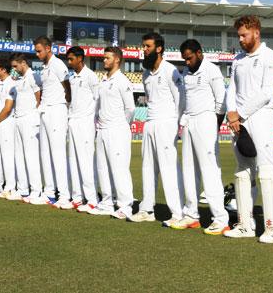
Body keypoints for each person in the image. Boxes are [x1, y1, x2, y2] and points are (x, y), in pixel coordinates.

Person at [223, 15, 273, 243]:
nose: (240, 39)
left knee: (266, 172)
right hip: (238, 120)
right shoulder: (238, 60)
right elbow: (232, 89)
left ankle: (272, 229)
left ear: (256, 32)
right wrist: (231, 113)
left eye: (243, 35)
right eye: (238, 35)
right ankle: (245, 225)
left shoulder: (270, 57)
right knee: (242, 171)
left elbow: (266, 92)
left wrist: (240, 113)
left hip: (261, 117)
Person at [173, 39, 231, 234]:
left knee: (210, 170)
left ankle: (220, 218)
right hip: (188, 122)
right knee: (188, 169)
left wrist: (214, 126)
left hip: (206, 120)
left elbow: (221, 101)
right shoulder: (186, 71)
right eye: (184, 60)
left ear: (199, 53)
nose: (187, 62)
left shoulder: (212, 70)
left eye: (189, 58)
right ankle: (191, 215)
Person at [130, 33, 185, 227]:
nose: (144, 49)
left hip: (167, 122)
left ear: (159, 48)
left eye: (148, 46)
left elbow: (181, 98)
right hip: (150, 122)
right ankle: (146, 209)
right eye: (143, 46)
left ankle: (177, 213)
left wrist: (177, 123)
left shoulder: (170, 70)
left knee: (169, 168)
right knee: (147, 167)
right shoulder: (146, 73)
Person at [91, 47, 135, 219]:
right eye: (104, 58)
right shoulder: (103, 81)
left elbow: (130, 109)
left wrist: (121, 125)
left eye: (107, 58)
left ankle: (126, 206)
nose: (104, 61)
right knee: (102, 167)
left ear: (117, 60)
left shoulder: (122, 81)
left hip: (117, 129)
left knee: (119, 168)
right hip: (102, 129)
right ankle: (107, 203)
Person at [34, 36, 72, 208]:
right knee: (45, 154)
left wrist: (65, 104)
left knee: (58, 154)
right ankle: (49, 192)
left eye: (39, 50)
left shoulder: (57, 64)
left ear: (48, 48)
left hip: (57, 110)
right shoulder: (44, 68)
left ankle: (64, 195)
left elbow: (67, 86)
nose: (37, 53)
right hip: (45, 110)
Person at [66, 46, 100, 212]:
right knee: (73, 160)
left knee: (85, 161)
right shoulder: (73, 77)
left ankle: (92, 198)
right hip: (73, 120)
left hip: (86, 123)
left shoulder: (91, 76)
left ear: (80, 58)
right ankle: (77, 196)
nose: (69, 62)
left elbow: (97, 99)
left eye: (71, 58)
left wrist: (93, 118)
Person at [10, 52, 47, 204]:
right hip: (18, 119)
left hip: (30, 120)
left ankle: (36, 190)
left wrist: (34, 115)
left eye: (15, 66)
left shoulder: (34, 77)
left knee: (31, 156)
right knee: (19, 155)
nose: (14, 69)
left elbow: (40, 97)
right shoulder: (19, 80)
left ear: (23, 63)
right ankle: (23, 189)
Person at [0, 59, 19, 200]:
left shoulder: (11, 84)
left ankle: (10, 187)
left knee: (7, 156)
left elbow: (7, 108)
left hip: (6, 123)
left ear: (3, 70)